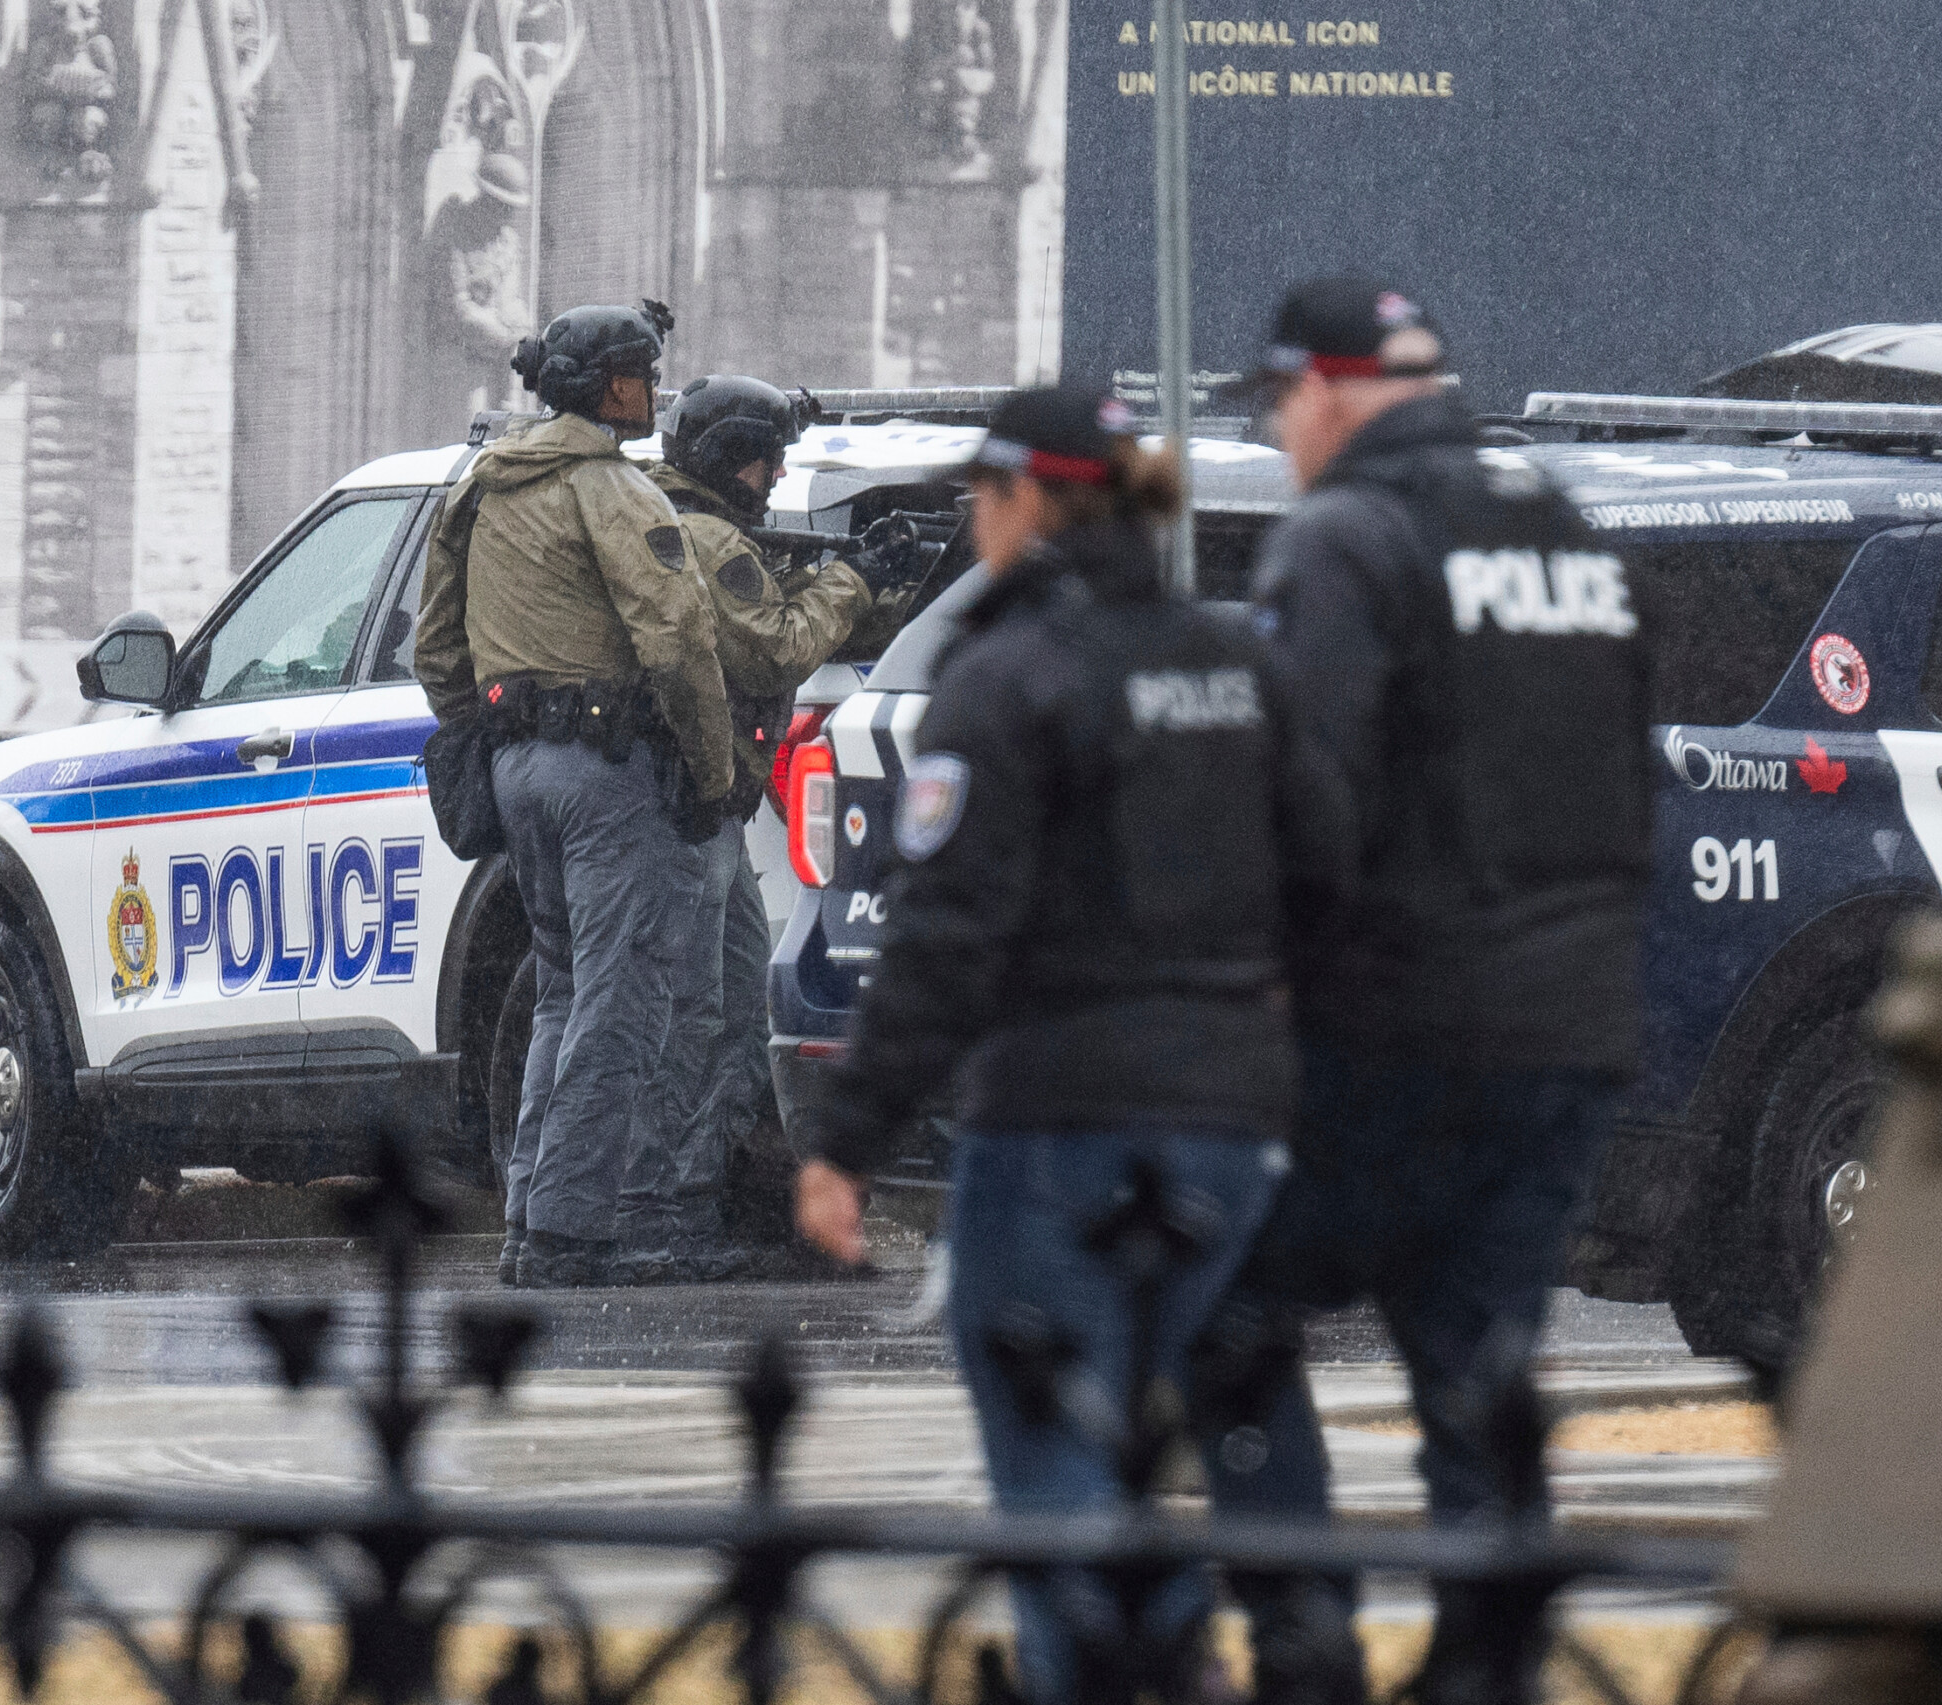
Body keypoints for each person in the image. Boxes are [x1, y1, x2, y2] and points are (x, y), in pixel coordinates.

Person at [797, 385, 1349, 1703]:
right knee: (1213, 1419)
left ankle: (1115, 1677)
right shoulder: (1239, 665)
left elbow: (947, 936)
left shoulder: (1011, 678)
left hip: (1060, 1123)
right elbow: (1333, 881)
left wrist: (848, 1138)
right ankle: (1243, 1658)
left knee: (1059, 1452)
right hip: (1230, 1123)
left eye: (982, 499)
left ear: (1028, 504)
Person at [1197, 278, 1654, 1705]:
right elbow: (1633, 777)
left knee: (1219, 1306)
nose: (1282, 440)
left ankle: (1304, 1635)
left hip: (1394, 1023)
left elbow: (1304, 796)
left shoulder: (1347, 538)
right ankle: (1486, 1656)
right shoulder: (1567, 528)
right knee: (1481, 1375)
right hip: (1564, 1032)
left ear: (1326, 388)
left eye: (1279, 409)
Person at [414, 301, 734, 1290]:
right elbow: (677, 638)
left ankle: (530, 1214)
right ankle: (568, 1230)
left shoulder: (482, 487)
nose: (652, 388)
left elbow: (434, 649)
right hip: (603, 774)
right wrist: (715, 771)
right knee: (618, 997)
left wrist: (503, 729)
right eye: (642, 371)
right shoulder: (611, 490)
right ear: (607, 386)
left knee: (560, 991)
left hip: (516, 771)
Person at [620, 375, 904, 1283]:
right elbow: (776, 643)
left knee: (730, 1010)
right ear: (720, 458)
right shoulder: (703, 538)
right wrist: (852, 580)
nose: (776, 472)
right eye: (762, 456)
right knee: (693, 1012)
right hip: (688, 804)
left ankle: (704, 1202)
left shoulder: (704, 529)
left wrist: (874, 590)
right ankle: (662, 1211)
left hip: (709, 805)